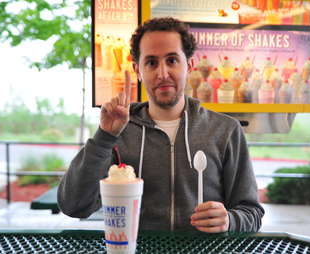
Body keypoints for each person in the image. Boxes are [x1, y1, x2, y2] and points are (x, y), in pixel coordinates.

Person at [58, 17, 264, 233]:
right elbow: (74, 206)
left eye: (172, 60)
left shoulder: (225, 130)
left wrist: (230, 221)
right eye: (152, 62)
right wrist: (104, 137)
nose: (162, 73)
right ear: (138, 70)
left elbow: (252, 213)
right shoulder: (119, 131)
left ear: (189, 65)